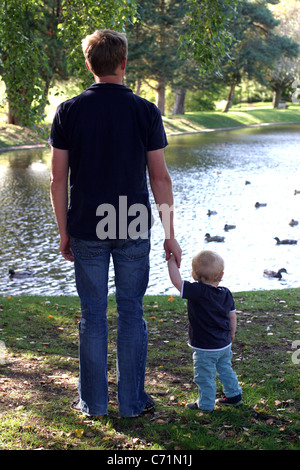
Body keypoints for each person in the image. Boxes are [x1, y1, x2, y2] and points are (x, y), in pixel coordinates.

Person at [49, 29, 181, 418]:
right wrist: (170, 234)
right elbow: (161, 178)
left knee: (93, 314)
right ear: (124, 64)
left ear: (89, 64)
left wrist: (63, 229)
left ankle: (93, 404)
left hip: (88, 224)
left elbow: (58, 178)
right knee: (131, 312)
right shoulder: (145, 111)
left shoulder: (68, 110)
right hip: (133, 222)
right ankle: (132, 403)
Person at [167, 250, 242, 412]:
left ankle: (206, 404)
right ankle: (234, 395)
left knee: (204, 376)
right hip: (224, 344)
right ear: (221, 275)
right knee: (225, 369)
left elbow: (176, 281)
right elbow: (232, 316)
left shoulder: (197, 291)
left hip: (205, 347)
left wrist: (171, 261)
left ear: (194, 275)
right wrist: (232, 333)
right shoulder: (226, 293)